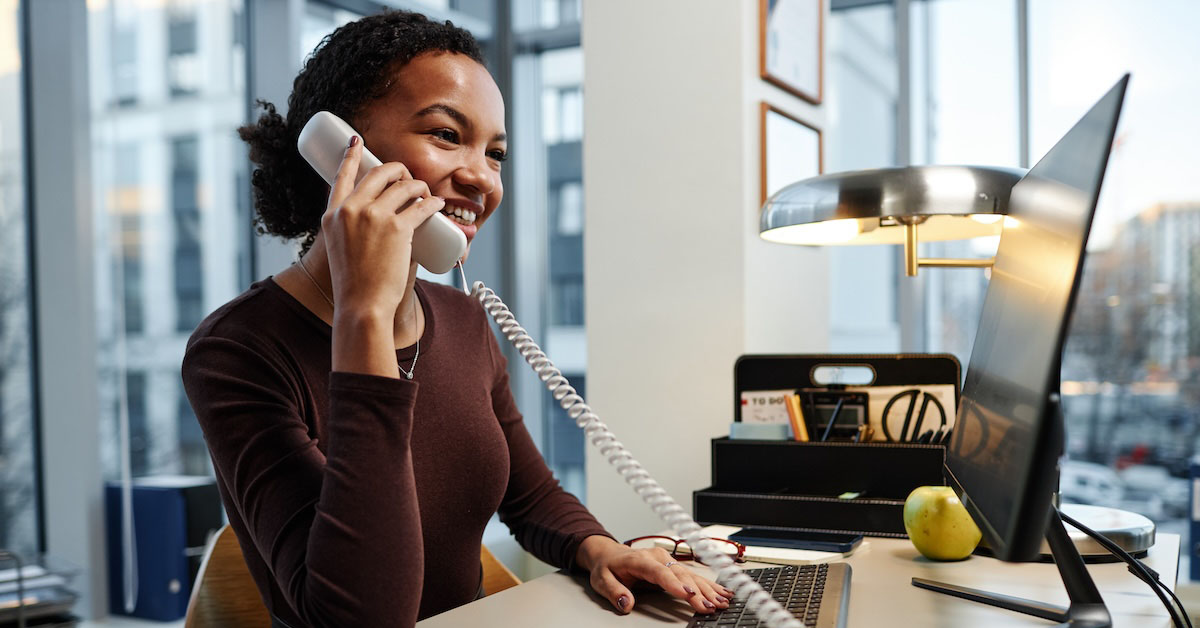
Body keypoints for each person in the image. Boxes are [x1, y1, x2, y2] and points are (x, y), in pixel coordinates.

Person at [181, 10, 731, 627]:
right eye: (446, 135)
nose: (480, 177)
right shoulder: (237, 351)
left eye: (495, 153)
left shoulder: (463, 321)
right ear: (339, 152)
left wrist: (598, 549)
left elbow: (530, 496)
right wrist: (365, 317)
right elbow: (361, 616)